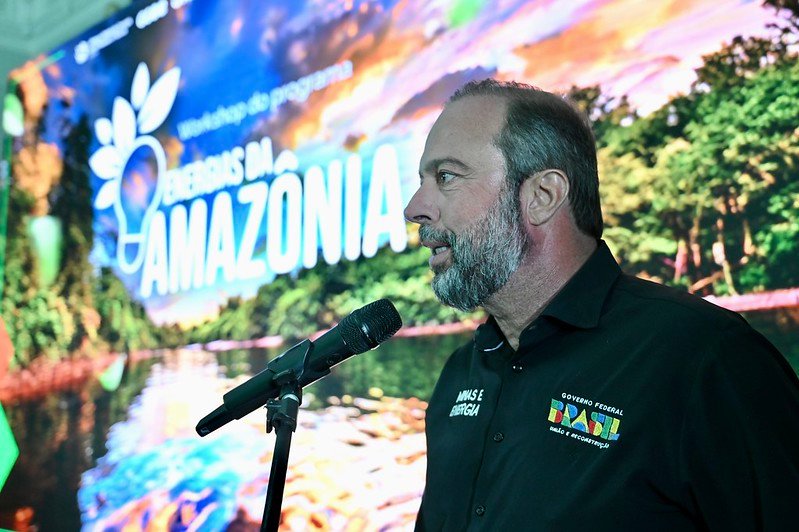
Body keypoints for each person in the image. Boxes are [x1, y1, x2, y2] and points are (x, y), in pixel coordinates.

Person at [404, 79, 799, 531]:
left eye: (446, 177)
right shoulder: (459, 375)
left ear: (542, 196)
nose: (415, 208)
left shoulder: (705, 358)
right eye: (422, 181)